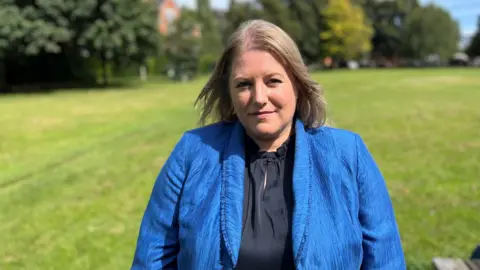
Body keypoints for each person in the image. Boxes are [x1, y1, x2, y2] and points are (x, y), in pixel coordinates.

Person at [131, 19, 406, 270]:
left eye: (273, 81)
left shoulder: (349, 154)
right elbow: (151, 261)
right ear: (229, 91)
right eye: (244, 84)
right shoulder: (192, 152)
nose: (259, 97)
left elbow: (386, 261)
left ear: (297, 85)